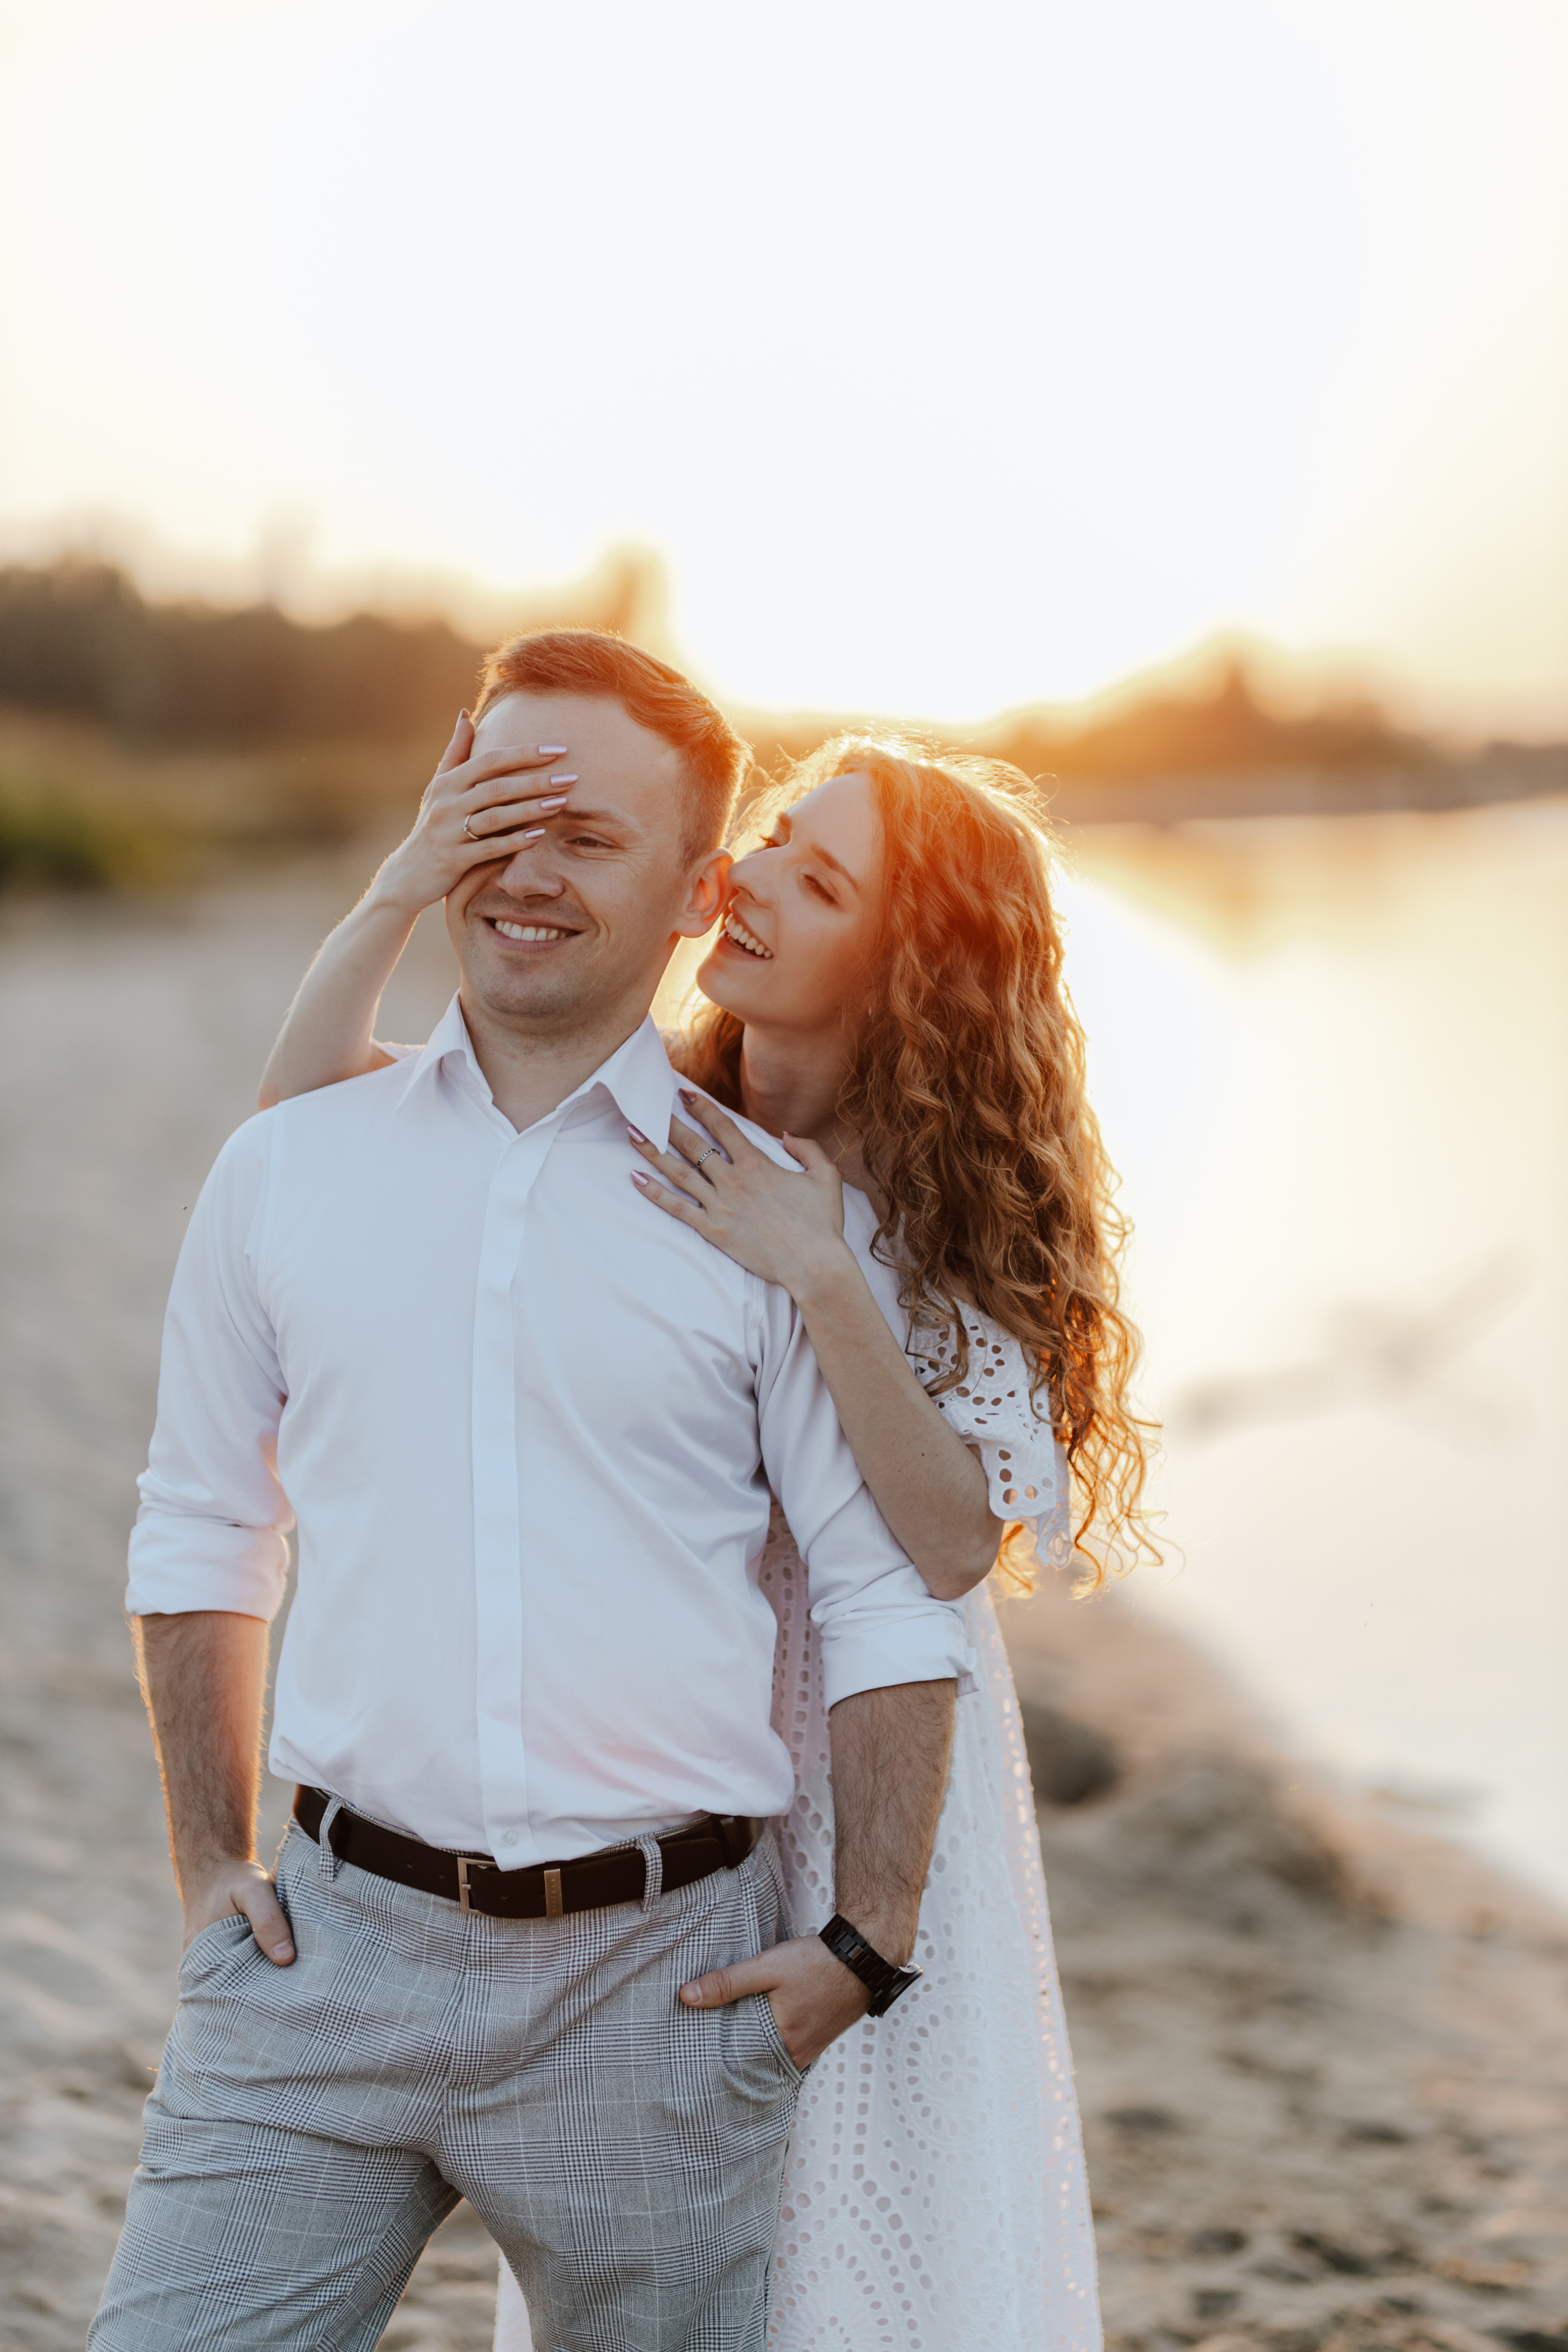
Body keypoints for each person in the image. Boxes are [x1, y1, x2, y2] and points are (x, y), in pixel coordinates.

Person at [94, 631, 979, 2352]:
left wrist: (865, 1943)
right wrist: (208, 1866)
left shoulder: (774, 1226)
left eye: (587, 834)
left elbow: (892, 1593)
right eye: (496, 809)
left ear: (694, 893)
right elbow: (206, 1517)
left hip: (659, 1996)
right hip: (316, 1969)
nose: (525, 869)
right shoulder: (287, 1167)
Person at [261, 696, 1150, 2350]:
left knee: (869, 2212)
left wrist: (820, 1271)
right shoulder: (637, 1122)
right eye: (771, 848)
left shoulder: (943, 1221)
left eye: (816, 886)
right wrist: (399, 891)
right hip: (663, 1752)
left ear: (902, 970)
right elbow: (305, 1128)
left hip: (878, 1766)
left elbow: (953, 1546)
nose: (746, 881)